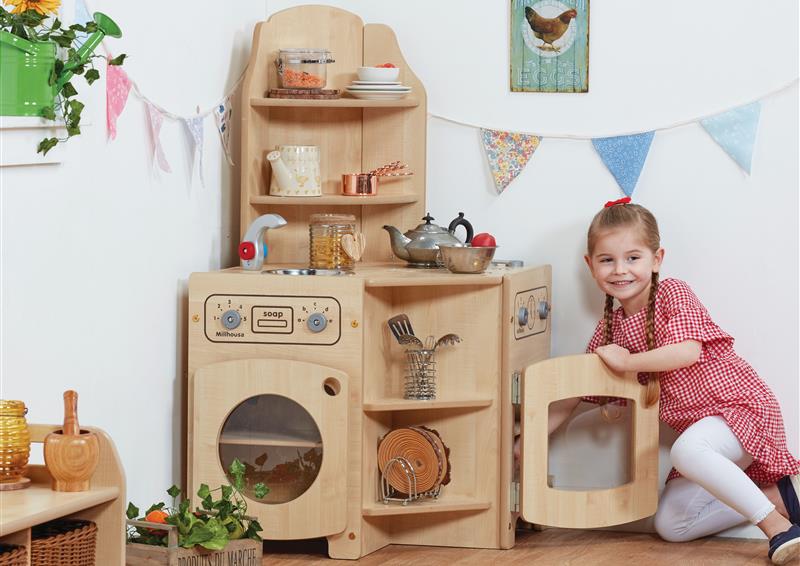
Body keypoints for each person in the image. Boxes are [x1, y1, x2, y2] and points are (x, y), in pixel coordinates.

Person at [547, 197, 800, 564]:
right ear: (590, 265)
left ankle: (777, 528)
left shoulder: (672, 293)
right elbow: (575, 395)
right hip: (704, 437)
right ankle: (782, 497)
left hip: (739, 409)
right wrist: (533, 438)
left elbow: (687, 352)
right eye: (607, 260)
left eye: (633, 258)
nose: (620, 270)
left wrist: (629, 362)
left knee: (686, 450)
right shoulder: (609, 331)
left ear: (657, 259)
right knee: (671, 525)